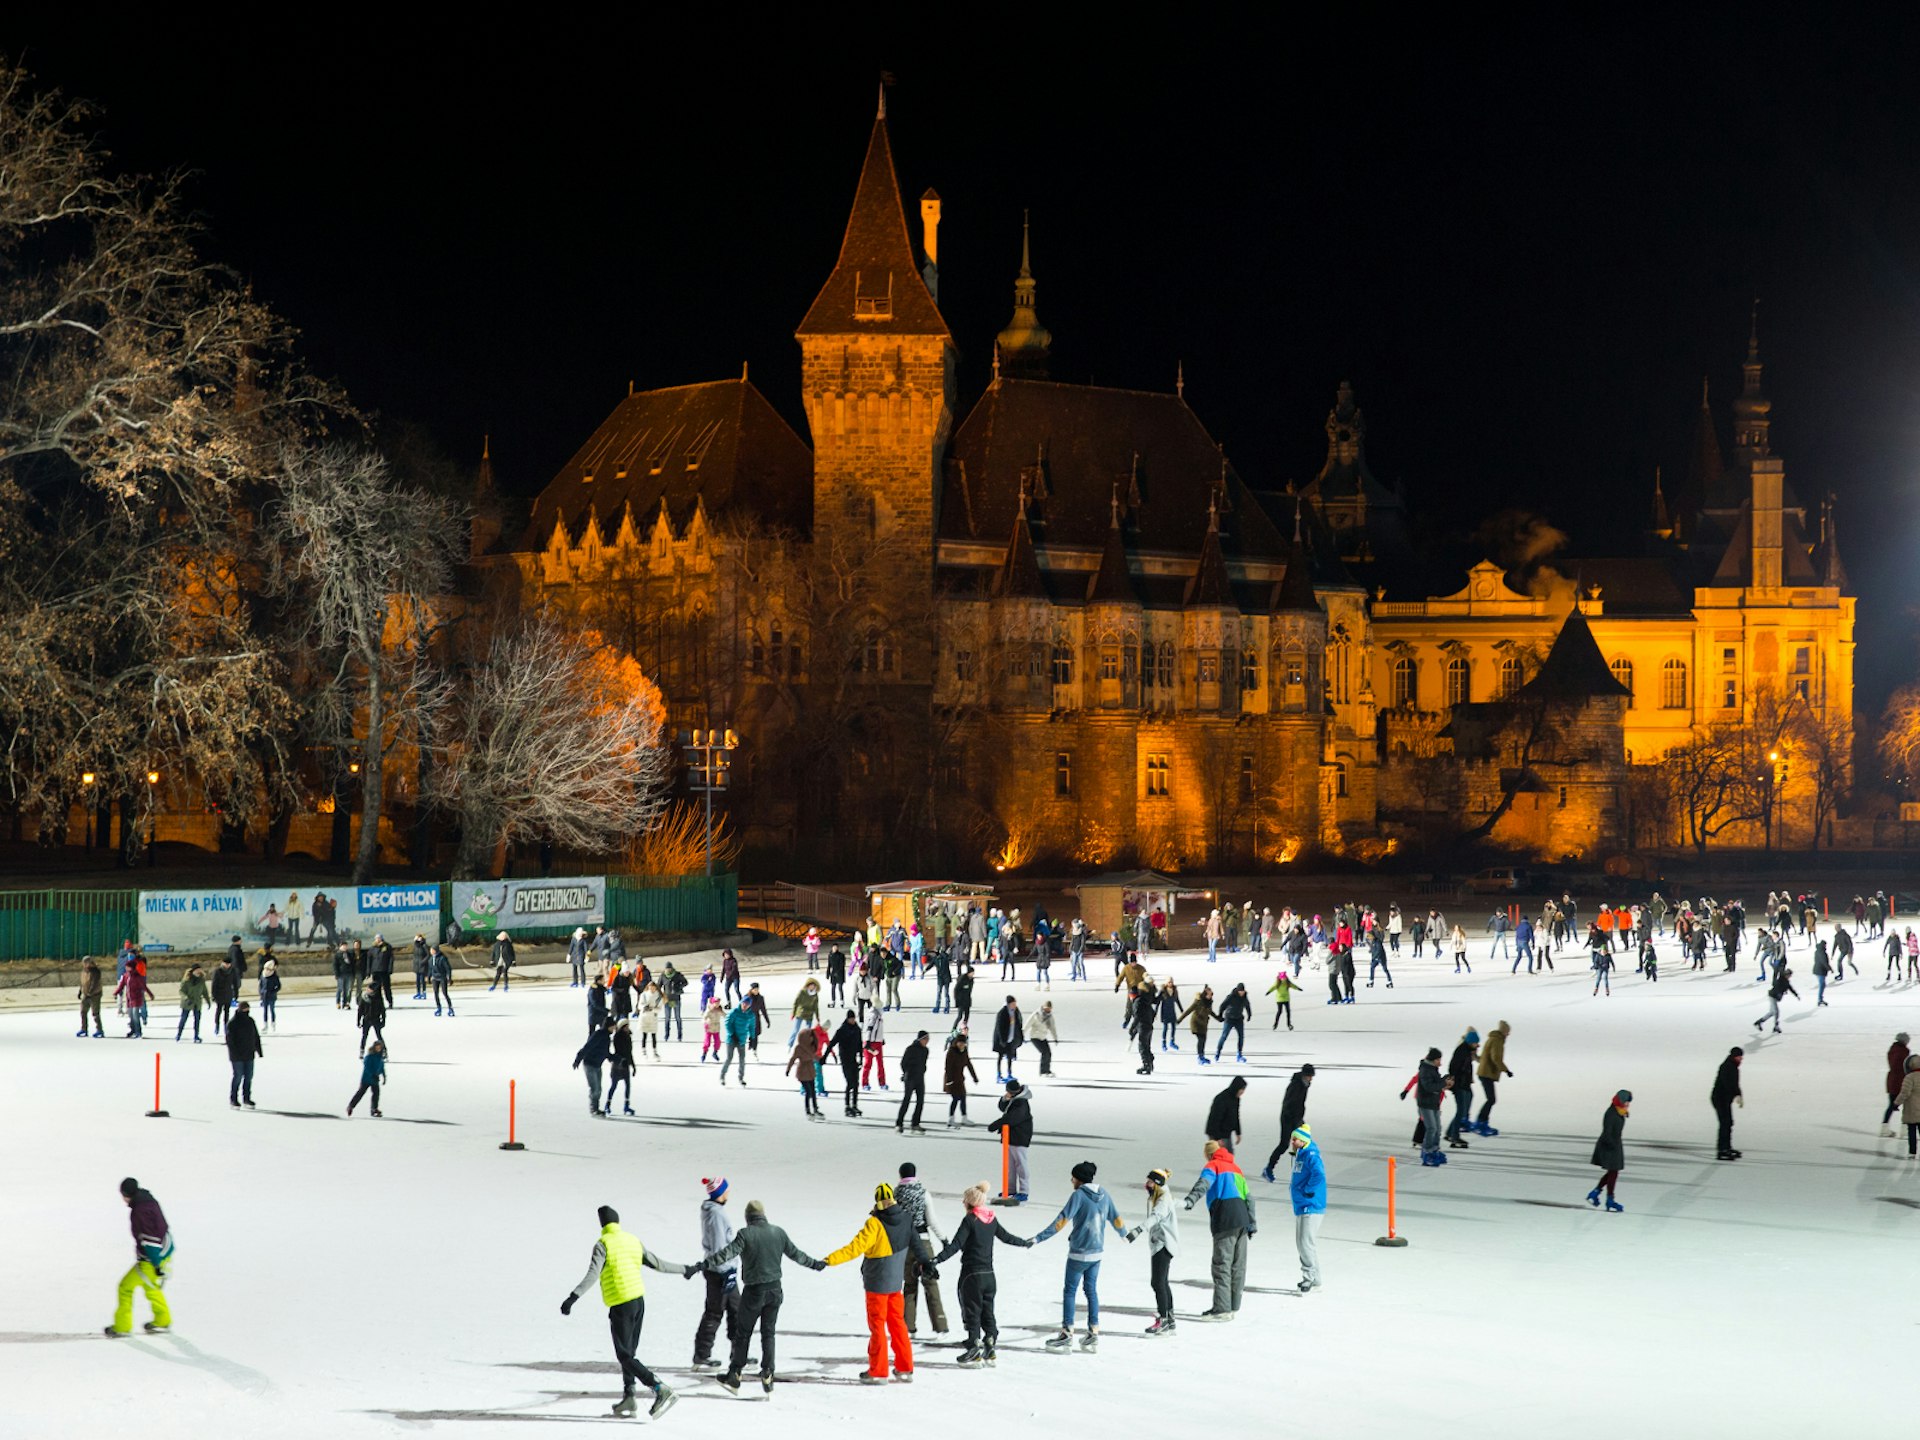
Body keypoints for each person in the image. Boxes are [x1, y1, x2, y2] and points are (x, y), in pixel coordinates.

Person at [685, 1197, 825, 1393]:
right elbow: (797, 1254)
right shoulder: (778, 1233)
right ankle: (768, 1373)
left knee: (743, 1333)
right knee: (768, 1333)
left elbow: (726, 1253)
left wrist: (702, 1265)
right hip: (775, 1290)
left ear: (748, 1217)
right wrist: (815, 1264)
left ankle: (734, 1375)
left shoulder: (745, 1235)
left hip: (754, 1292)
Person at [559, 1204, 680, 1419]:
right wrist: (685, 1269)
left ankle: (660, 1388)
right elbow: (657, 1263)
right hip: (638, 1302)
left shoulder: (603, 1244)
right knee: (629, 1354)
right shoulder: (632, 1240)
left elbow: (592, 1274)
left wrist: (573, 1297)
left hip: (621, 1305)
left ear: (602, 1224)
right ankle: (630, 1397)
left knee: (624, 1355)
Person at [822, 1181, 937, 1384]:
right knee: (898, 1325)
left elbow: (854, 1248)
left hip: (876, 1285)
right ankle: (905, 1368)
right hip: (895, 1284)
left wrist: (829, 1260)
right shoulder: (906, 1219)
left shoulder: (875, 1224)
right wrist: (927, 1264)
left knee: (877, 1327)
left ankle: (878, 1371)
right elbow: (918, 1246)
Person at [1032, 1160, 1136, 1352]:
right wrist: (1125, 1235)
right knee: (1091, 1291)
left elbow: (1061, 1220)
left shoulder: (1078, 1196)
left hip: (1079, 1253)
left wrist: (1039, 1238)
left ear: (1079, 1179)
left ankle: (1066, 1333)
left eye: (1073, 1178)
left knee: (1070, 1291)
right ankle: (1093, 1333)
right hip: (1097, 1253)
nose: (1071, 1181)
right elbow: (1116, 1218)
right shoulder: (1104, 1194)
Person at [934, 1181, 1031, 1365]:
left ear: (969, 1203)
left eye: (964, 1200)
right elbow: (1007, 1237)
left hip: (971, 1275)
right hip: (989, 1276)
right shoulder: (991, 1219)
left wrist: (936, 1260)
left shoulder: (970, 1220)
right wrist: (1024, 1242)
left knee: (972, 1310)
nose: (963, 1202)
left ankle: (974, 1347)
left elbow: (955, 1245)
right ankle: (990, 1342)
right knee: (988, 1311)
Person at [1182, 1139, 1256, 1319]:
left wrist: (1191, 1199)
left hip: (1225, 1217)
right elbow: (1250, 1198)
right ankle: (1233, 1306)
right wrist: (1252, 1223)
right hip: (1242, 1219)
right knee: (1237, 1265)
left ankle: (1222, 1309)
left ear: (1208, 1154)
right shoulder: (1236, 1168)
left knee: (1222, 1264)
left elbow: (1204, 1183)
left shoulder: (1213, 1165)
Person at [105, 1177, 173, 1337]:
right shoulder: (150, 1201)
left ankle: (122, 1327)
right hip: (165, 1251)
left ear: (125, 1194)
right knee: (151, 1288)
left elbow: (150, 1238)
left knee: (125, 1287)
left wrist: (156, 1264)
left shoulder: (139, 1211)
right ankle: (162, 1321)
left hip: (151, 1259)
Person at [690, 1178, 739, 1370]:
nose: (728, 1194)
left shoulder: (713, 1211)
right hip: (721, 1271)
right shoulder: (716, 1214)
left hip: (721, 1270)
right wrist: (727, 1271)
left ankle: (738, 1353)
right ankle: (701, 1356)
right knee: (715, 1312)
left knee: (736, 1310)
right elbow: (720, 1245)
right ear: (720, 1193)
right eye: (726, 1190)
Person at [895, 1162, 949, 1336]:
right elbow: (931, 1220)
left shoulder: (896, 1194)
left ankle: (908, 1327)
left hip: (904, 1244)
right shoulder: (923, 1193)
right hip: (923, 1242)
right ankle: (940, 1326)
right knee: (931, 1283)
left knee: (909, 1286)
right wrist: (944, 1239)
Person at [1141, 1167, 1180, 1334]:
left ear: (1156, 1184)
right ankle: (1169, 1319)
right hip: (1162, 1244)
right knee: (1162, 1282)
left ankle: (1163, 1320)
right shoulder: (1161, 1196)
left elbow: (1157, 1216)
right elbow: (1177, 1202)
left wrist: (1139, 1229)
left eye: (1149, 1182)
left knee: (1157, 1282)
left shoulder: (1163, 1199)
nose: (1146, 1184)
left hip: (1163, 1245)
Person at [1288, 1125, 1325, 1292]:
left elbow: (1319, 1175)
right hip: (1303, 1205)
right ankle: (1316, 1280)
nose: (1293, 1142)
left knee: (1305, 1243)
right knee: (1305, 1243)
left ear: (1304, 1140)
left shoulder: (1311, 1155)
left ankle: (1308, 1278)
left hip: (1310, 1205)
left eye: (1295, 1139)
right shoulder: (1302, 1154)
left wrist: (1308, 1190)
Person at [1264, 1065, 1315, 1181]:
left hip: (1296, 1118)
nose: (1311, 1079)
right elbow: (1288, 1104)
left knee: (1304, 1144)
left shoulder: (1304, 1085)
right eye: (1309, 1076)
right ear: (1304, 1075)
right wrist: (1293, 1121)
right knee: (1284, 1145)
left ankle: (1304, 1172)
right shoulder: (1295, 1085)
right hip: (1288, 1118)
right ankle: (1268, 1169)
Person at [988, 1079, 1034, 1201]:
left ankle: (1024, 1191)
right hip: (1010, 1138)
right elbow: (1004, 1108)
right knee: (1011, 1166)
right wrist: (1005, 1099)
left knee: (1020, 1164)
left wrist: (996, 1125)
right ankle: (1010, 1189)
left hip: (1019, 1138)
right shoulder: (1015, 1100)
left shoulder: (1021, 1103)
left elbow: (1011, 1118)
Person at [1587, 1090, 1631, 1211]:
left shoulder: (1620, 1112)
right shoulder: (1611, 1113)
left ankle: (1597, 1193)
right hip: (1609, 1144)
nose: (1628, 1104)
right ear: (1620, 1100)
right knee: (1613, 1172)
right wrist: (1611, 1144)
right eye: (1626, 1101)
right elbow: (1607, 1131)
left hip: (1615, 1144)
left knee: (1613, 1172)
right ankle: (1608, 1199)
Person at [1406, 1046, 1449, 1166]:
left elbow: (1435, 1084)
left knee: (1437, 1129)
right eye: (1439, 1060)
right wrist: (1443, 1082)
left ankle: (1434, 1150)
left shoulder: (1432, 1069)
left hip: (1433, 1102)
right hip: (1425, 1103)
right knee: (1431, 1128)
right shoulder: (1425, 1070)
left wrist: (1444, 1080)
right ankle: (1427, 1152)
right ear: (1434, 1059)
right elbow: (1429, 1087)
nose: (1440, 1063)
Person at [1445, 1030, 1480, 1149]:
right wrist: (1454, 1081)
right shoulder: (1461, 1051)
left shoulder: (1467, 1050)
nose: (1477, 1045)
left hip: (1465, 1084)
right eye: (1476, 1043)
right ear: (1470, 1042)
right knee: (1461, 1110)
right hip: (1460, 1085)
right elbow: (1453, 1067)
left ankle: (1450, 1132)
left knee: (1463, 1109)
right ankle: (1454, 1136)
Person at [574, 1018, 613, 1115]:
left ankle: (596, 1108)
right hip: (589, 1064)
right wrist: (578, 1059)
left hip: (597, 1065)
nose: (615, 1028)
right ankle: (593, 1108)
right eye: (613, 1026)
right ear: (609, 1026)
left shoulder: (607, 1037)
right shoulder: (598, 1035)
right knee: (594, 1088)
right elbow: (588, 1046)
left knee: (599, 1089)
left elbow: (606, 1053)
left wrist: (618, 1059)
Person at [786, 1021, 824, 1119]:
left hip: (810, 1070)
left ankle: (815, 1109)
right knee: (808, 1091)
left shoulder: (812, 1047)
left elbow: (815, 1056)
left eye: (812, 1037)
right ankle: (808, 1111)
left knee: (813, 1091)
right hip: (802, 1071)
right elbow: (793, 1059)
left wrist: (821, 1060)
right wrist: (788, 1069)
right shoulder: (799, 1048)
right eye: (810, 1037)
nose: (811, 1039)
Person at [1712, 1046, 1744, 1160]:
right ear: (1734, 1056)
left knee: (1728, 1122)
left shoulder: (1734, 1067)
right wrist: (1736, 1094)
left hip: (1725, 1099)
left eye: (1741, 1057)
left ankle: (1727, 1147)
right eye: (1739, 1057)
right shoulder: (1727, 1067)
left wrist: (1739, 1095)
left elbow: (1735, 1084)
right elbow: (1728, 1084)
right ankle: (1722, 1150)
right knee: (1725, 1123)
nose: (1741, 1059)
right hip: (1720, 1098)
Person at [896, 1030, 931, 1133]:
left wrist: (923, 1070)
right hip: (910, 1078)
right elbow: (903, 1063)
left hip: (920, 1078)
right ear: (921, 1039)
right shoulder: (910, 1049)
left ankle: (915, 1123)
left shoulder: (925, 1050)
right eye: (926, 1039)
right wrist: (907, 1072)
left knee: (920, 1101)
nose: (927, 1041)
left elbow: (924, 1063)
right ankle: (899, 1123)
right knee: (906, 1100)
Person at [944, 1030, 979, 1127]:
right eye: (960, 1043)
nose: (961, 1045)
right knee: (955, 1098)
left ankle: (964, 1117)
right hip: (951, 1079)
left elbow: (968, 1064)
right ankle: (951, 1119)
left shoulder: (964, 1051)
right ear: (956, 1042)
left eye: (963, 1043)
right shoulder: (951, 1052)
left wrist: (974, 1077)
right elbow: (947, 1067)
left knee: (963, 1097)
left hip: (959, 1078)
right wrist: (949, 1080)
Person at [1882, 1033, 1912, 1135]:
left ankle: (1884, 1128)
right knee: (1907, 1106)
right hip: (1901, 1081)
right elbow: (1904, 1067)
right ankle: (1904, 1131)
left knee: (1891, 1105)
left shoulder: (1892, 1050)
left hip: (1892, 1080)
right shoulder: (1903, 1051)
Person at [1755, 965, 1799, 1035]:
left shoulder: (1787, 982)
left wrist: (1796, 995)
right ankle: (1776, 1026)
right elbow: (1778, 977)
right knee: (1776, 1011)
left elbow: (1791, 988)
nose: (1789, 977)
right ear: (1786, 974)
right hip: (1772, 996)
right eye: (1789, 975)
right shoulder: (1781, 979)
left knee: (1772, 1013)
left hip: (1775, 997)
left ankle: (1759, 1022)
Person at [348, 1040, 386, 1117]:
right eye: (377, 1047)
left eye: (380, 1047)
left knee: (376, 1094)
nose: (378, 1049)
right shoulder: (369, 1056)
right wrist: (372, 1075)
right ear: (374, 1047)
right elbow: (367, 1068)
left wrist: (384, 1076)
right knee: (361, 1093)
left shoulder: (380, 1057)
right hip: (367, 1079)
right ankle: (351, 1106)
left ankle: (374, 1109)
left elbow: (381, 1067)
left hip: (375, 1079)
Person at [1213, 983, 1251, 1063]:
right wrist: (1220, 1015)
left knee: (1241, 1037)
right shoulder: (1231, 997)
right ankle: (1218, 1052)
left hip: (1239, 1019)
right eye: (1240, 991)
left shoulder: (1244, 997)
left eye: (1243, 991)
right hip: (1229, 1019)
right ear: (1237, 990)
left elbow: (1247, 1005)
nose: (1242, 993)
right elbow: (1222, 1006)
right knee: (1224, 1036)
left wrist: (1249, 1014)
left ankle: (1239, 1055)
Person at [1206, 1076, 1246, 1149]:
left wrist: (1238, 1133)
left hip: (1226, 1132)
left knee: (1228, 1156)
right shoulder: (1221, 1099)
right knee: (1221, 1157)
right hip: (1216, 1132)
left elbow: (1235, 1116)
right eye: (1241, 1089)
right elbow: (1215, 1119)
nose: (1243, 1092)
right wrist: (1217, 1138)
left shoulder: (1235, 1099)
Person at [991, 995, 1024, 1081]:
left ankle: (1009, 1073)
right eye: (1013, 1003)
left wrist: (1020, 1037)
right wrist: (1002, 1040)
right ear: (1008, 1004)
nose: (1015, 1005)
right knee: (1000, 1056)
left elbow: (1019, 1024)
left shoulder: (1016, 1012)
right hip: (1002, 1039)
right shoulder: (1002, 1013)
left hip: (1011, 1038)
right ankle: (999, 1075)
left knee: (1010, 1057)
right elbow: (999, 1027)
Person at [721, 1000, 753, 1086]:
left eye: (747, 1004)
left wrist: (752, 1038)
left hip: (741, 1039)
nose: (745, 1006)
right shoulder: (734, 1012)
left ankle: (741, 1078)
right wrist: (732, 1034)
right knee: (729, 1058)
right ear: (741, 1003)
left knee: (742, 1059)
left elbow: (752, 1026)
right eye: (744, 1003)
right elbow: (727, 1023)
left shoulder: (750, 1014)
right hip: (731, 1039)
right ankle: (722, 1076)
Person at [114, 957, 148, 1039]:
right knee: (131, 1016)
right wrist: (116, 993)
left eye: (127, 967)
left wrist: (150, 994)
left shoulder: (137, 976)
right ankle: (133, 1030)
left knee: (135, 1015)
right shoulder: (126, 976)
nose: (126, 968)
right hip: (129, 999)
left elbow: (144, 986)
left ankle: (138, 1032)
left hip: (136, 999)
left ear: (131, 967)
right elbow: (121, 986)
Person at [173, 964, 208, 1043]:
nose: (199, 971)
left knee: (197, 1020)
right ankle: (179, 1034)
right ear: (193, 970)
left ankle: (196, 1036)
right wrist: (186, 998)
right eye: (197, 970)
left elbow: (204, 991)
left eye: (200, 969)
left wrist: (208, 1001)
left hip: (197, 1003)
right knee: (184, 1019)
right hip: (187, 1003)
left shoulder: (201, 980)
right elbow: (181, 991)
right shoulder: (186, 980)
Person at [1894, 1056, 1920, 1158]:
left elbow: (1905, 1093)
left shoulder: (1910, 1077)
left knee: (1912, 1131)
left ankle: (1912, 1153)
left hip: (1912, 1109)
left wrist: (1896, 1103)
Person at [78, 956, 104, 1039]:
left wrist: (90, 991)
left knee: (95, 1013)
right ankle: (84, 1029)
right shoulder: (84, 971)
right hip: (86, 994)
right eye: (84, 963)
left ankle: (99, 1030)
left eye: (86, 963)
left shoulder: (95, 971)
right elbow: (83, 982)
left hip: (95, 995)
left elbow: (94, 982)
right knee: (83, 1012)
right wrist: (80, 991)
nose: (85, 965)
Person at [356, 983, 386, 1057]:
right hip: (366, 1020)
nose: (367, 990)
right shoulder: (364, 998)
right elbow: (360, 1010)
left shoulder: (378, 999)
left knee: (379, 1036)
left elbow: (382, 1010)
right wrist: (358, 1020)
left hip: (376, 1019)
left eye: (369, 989)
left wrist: (383, 1021)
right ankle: (362, 1050)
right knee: (364, 1036)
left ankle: (384, 1051)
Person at [1031, 1001, 1059, 1075]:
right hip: (1035, 1037)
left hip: (1042, 1037)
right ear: (1043, 1007)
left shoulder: (1050, 1017)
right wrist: (1021, 1035)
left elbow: (1052, 1028)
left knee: (1048, 1053)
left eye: (1049, 1009)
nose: (1048, 1010)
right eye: (1046, 1008)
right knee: (1044, 1052)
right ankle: (1043, 1071)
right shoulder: (1037, 1014)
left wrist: (1055, 1038)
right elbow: (1028, 1023)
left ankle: (1047, 1070)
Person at [258, 959, 281, 1030]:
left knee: (272, 1010)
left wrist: (273, 991)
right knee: (265, 1011)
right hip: (264, 996)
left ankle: (273, 1023)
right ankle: (265, 1025)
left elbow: (278, 986)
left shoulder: (274, 976)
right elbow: (260, 985)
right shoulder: (263, 975)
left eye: (268, 969)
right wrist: (261, 992)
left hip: (271, 996)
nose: (266, 970)